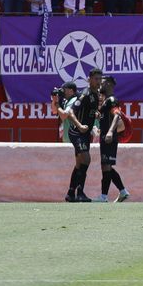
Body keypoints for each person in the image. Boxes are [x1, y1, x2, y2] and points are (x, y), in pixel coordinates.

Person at [58, 69, 104, 201]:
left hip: (84, 133)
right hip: (76, 132)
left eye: (100, 79)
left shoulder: (95, 95)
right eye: (96, 79)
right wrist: (80, 126)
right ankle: (80, 193)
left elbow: (88, 110)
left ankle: (71, 193)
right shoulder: (85, 94)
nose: (98, 81)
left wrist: (95, 114)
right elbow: (71, 113)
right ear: (89, 80)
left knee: (79, 163)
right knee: (86, 159)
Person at [94, 75, 131, 203]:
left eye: (102, 82)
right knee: (106, 166)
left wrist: (110, 131)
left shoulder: (112, 100)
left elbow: (117, 116)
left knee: (106, 166)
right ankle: (122, 191)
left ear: (109, 84)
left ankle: (104, 196)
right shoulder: (105, 101)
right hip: (104, 137)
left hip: (109, 138)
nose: (100, 84)